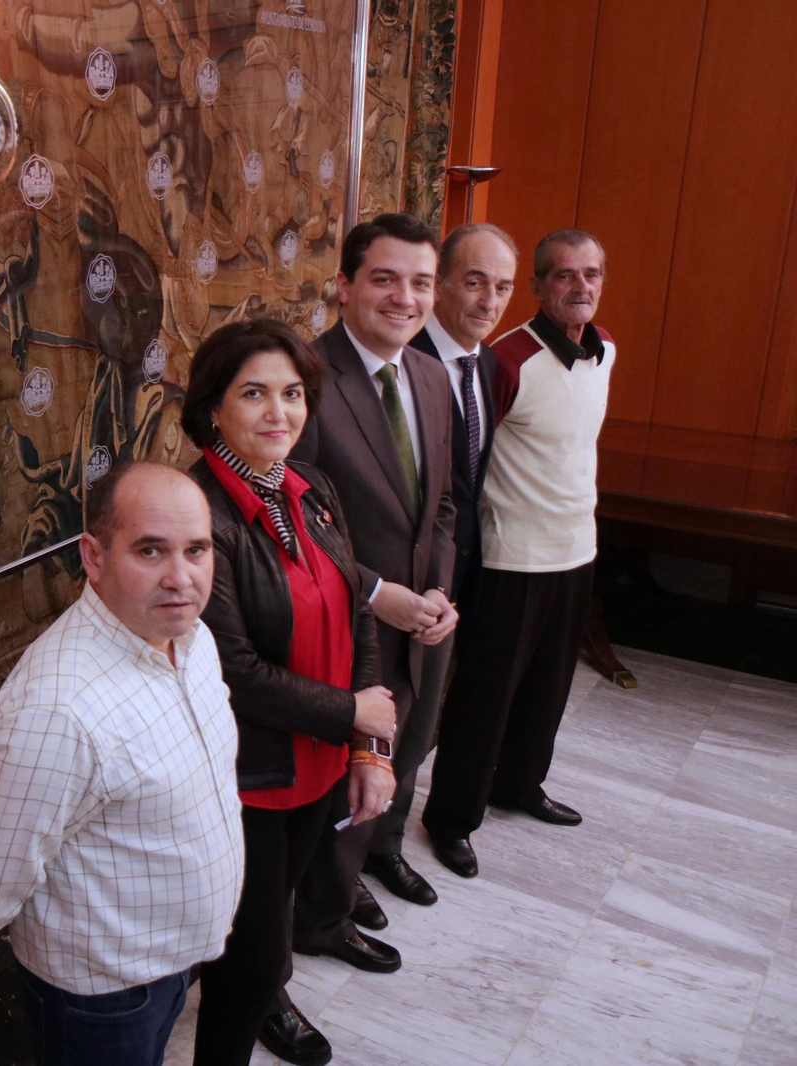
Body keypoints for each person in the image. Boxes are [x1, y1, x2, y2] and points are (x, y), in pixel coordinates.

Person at [0, 461, 245, 1066]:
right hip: (103, 997)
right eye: (151, 551)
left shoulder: (192, 637)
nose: (181, 578)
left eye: (197, 550)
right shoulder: (60, 712)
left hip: (173, 965)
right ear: (94, 557)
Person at [184, 318, 396, 1066]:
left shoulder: (311, 489)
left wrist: (370, 745)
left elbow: (354, 612)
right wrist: (352, 715)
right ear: (214, 408)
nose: (280, 412)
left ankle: (264, 995)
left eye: (293, 393)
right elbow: (233, 671)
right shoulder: (198, 513)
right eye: (255, 394)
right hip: (247, 779)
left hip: (319, 765)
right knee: (247, 962)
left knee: (266, 937)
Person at [289, 213, 457, 968]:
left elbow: (443, 508)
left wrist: (440, 592)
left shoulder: (428, 374)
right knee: (330, 789)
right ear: (346, 285)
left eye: (420, 282)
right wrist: (378, 592)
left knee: (382, 775)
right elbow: (286, 526)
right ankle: (310, 925)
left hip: (419, 627)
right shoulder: (305, 384)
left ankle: (342, 891)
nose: (404, 297)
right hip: (339, 633)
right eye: (384, 278)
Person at [423, 228, 615, 879]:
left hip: (576, 549)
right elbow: (467, 461)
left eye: (591, 274)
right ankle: (452, 817)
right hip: (512, 557)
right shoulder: (508, 359)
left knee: (548, 689)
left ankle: (521, 784)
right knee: (486, 696)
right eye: (564, 275)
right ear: (538, 287)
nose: (580, 286)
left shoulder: (606, 351)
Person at [366, 223, 517, 902]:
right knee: (368, 738)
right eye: (473, 280)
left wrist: (441, 591)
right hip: (363, 599)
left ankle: (385, 849)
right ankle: (338, 879)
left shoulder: (471, 367)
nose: (488, 300)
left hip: (436, 592)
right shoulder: (353, 370)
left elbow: (454, 497)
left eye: (503, 286)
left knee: (420, 727)